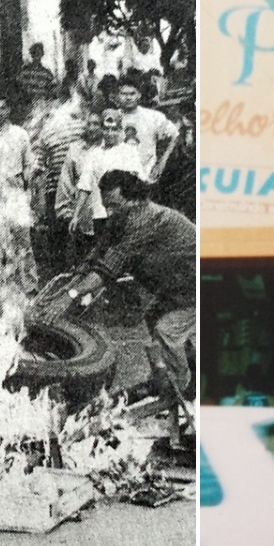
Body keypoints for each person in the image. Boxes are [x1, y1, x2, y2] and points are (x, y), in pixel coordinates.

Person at [48, 169, 195, 396]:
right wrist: (73, 281)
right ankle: (174, 372)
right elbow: (99, 253)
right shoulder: (123, 216)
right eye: (107, 206)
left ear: (134, 199)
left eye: (115, 205)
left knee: (167, 331)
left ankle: (181, 389)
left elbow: (109, 268)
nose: (109, 212)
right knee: (154, 316)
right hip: (176, 287)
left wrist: (70, 295)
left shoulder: (147, 219)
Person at [31, 81, 89, 267]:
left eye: (59, 100)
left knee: (83, 231)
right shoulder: (46, 130)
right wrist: (38, 195)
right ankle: (59, 271)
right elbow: (39, 165)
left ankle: (81, 269)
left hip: (81, 186)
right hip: (55, 188)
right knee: (57, 234)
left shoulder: (83, 125)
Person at [69, 109, 144, 239]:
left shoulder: (130, 152)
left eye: (114, 129)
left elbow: (139, 182)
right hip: (101, 214)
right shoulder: (94, 154)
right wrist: (76, 215)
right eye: (106, 129)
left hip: (124, 213)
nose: (109, 133)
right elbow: (84, 186)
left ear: (120, 129)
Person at [55, 112, 103, 264]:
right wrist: (66, 212)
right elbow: (66, 181)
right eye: (89, 124)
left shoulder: (109, 148)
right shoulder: (75, 149)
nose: (92, 128)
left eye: (96, 124)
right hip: (83, 216)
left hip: (105, 215)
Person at [115, 75, 179, 183]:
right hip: (119, 178)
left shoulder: (152, 116)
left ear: (139, 95)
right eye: (124, 94)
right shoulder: (113, 117)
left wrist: (162, 162)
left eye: (132, 93)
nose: (128, 98)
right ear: (117, 95)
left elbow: (174, 135)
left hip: (146, 176)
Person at [14, 42, 57, 126]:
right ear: (31, 55)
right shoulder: (24, 71)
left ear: (42, 54)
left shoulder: (47, 73)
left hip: (42, 105)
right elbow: (18, 89)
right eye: (34, 53)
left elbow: (53, 92)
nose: (37, 56)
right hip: (27, 105)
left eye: (39, 53)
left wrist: (48, 105)